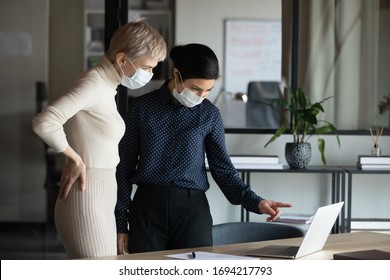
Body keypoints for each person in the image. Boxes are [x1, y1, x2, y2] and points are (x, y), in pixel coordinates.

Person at [115, 43, 292, 254]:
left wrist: (256, 202)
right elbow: (123, 168)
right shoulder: (141, 108)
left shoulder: (209, 114)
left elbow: (223, 170)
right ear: (176, 74)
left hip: (192, 212)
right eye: (195, 89)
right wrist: (121, 224)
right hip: (148, 209)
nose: (200, 96)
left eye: (208, 91)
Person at [32, 20, 167, 259]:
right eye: (147, 67)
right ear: (123, 60)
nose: (150, 74)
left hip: (101, 192)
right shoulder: (93, 83)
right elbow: (45, 122)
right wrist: (74, 159)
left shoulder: (107, 85)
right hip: (86, 193)